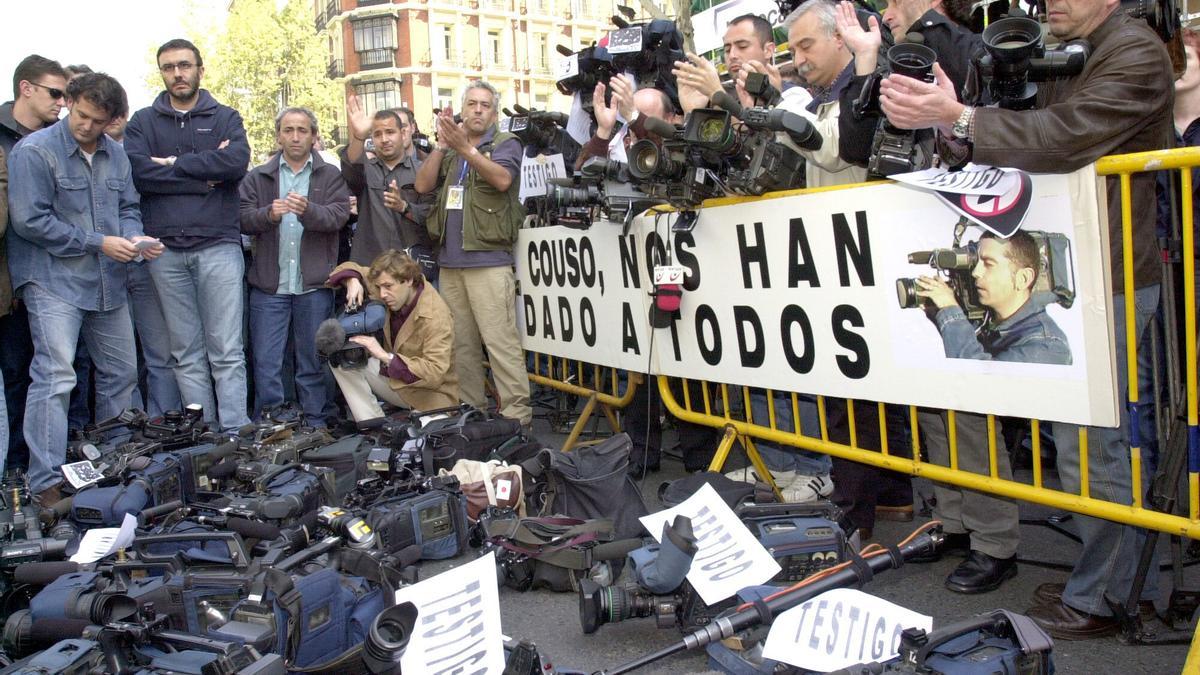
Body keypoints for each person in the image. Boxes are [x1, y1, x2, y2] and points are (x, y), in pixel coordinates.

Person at [880, 0, 1172, 637]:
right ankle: (1123, 590)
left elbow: (1066, 136)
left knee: (1096, 450)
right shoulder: (1074, 47)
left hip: (1113, 273)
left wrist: (960, 115)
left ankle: (1104, 600)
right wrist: (964, 116)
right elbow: (1029, 141)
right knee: (1090, 448)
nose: (1051, 4)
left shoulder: (1135, 50)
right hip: (1081, 271)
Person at [6, 73, 164, 505]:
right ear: (70, 102)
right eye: (81, 115)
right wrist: (99, 242)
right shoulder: (34, 151)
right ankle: (44, 484)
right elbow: (30, 222)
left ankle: (115, 466)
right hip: (52, 279)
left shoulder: (118, 155)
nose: (87, 126)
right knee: (55, 377)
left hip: (107, 279)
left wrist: (134, 238)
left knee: (122, 375)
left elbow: (128, 207)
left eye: (99, 121)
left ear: (113, 120)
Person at [125, 38, 252, 432]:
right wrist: (202, 178)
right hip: (164, 250)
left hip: (218, 245)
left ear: (200, 68)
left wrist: (175, 164)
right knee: (185, 353)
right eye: (169, 67)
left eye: (184, 65)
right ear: (161, 72)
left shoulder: (226, 116)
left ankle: (235, 433)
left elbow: (235, 163)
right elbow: (139, 173)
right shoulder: (143, 122)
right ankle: (204, 436)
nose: (177, 73)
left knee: (227, 351)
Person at [414, 81, 532, 428]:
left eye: (485, 105)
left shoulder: (505, 143)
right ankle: (471, 413)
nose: (478, 110)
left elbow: (502, 181)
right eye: (471, 104)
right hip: (451, 263)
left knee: (500, 344)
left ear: (494, 113)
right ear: (462, 110)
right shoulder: (451, 148)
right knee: (461, 345)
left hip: (489, 262)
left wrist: (466, 149)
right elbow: (422, 186)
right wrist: (441, 144)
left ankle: (517, 419)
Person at [239, 107, 351, 425]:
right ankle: (273, 422)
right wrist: (268, 215)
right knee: (266, 360)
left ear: (314, 136)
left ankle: (317, 421)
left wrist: (308, 211)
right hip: (269, 285)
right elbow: (242, 219)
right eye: (288, 130)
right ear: (278, 136)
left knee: (313, 359)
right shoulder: (259, 176)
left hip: (313, 284)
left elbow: (338, 217)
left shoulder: (329, 175)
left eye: (302, 130)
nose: (295, 136)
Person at [0, 54, 67, 473]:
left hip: (44, 279)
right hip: (7, 275)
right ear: (27, 88)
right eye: (55, 93)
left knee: (29, 374)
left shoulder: (58, 140)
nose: (63, 102)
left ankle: (22, 469)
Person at [325, 250, 458, 419]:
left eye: (388, 287)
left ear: (409, 280)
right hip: (397, 382)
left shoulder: (435, 314)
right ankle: (372, 425)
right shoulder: (389, 283)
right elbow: (347, 267)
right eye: (379, 287)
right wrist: (352, 280)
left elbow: (435, 374)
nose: (382, 294)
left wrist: (385, 356)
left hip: (431, 396)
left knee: (417, 442)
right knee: (342, 358)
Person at [341, 100, 434, 268]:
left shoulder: (422, 171)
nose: (384, 139)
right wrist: (359, 135)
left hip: (411, 266)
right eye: (377, 134)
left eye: (390, 132)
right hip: (371, 265)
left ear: (403, 133)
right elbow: (351, 165)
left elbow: (432, 214)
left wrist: (404, 207)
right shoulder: (366, 170)